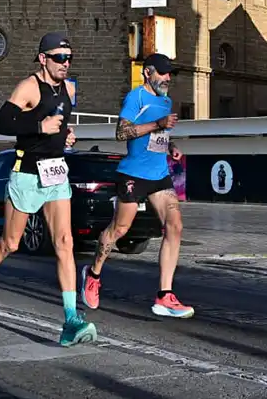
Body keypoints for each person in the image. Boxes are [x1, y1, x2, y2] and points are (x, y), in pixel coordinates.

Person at [0, 32, 97, 346]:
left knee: (65, 243)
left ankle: (70, 320)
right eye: (59, 58)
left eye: (69, 58)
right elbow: (1, 125)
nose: (65, 64)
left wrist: (65, 135)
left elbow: (59, 123)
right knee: (10, 243)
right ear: (43, 59)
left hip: (55, 174)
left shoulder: (67, 88)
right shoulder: (29, 87)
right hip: (26, 175)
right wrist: (39, 127)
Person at [81, 53, 194, 319]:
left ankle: (165, 296)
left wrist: (172, 146)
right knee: (120, 229)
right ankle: (93, 274)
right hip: (133, 174)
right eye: (163, 74)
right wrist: (158, 124)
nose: (167, 79)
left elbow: (159, 135)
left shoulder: (165, 100)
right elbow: (121, 133)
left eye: (169, 74)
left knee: (175, 225)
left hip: (159, 174)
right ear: (147, 73)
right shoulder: (136, 98)